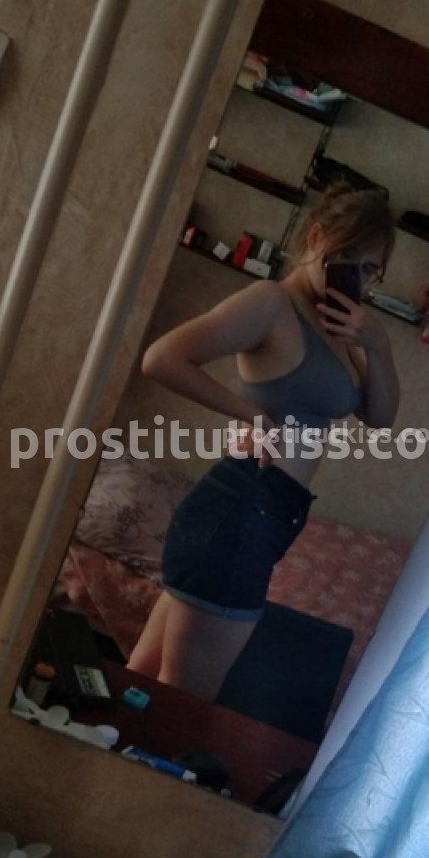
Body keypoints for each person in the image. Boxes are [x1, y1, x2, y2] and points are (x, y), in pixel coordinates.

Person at [126, 183, 400, 699]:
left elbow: (380, 417)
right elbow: (161, 359)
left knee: (141, 684)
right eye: (347, 258)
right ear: (315, 238)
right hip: (241, 513)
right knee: (179, 703)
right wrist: (252, 412)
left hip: (256, 518)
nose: (356, 278)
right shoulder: (272, 303)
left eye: (369, 270)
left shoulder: (338, 326)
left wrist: (378, 347)